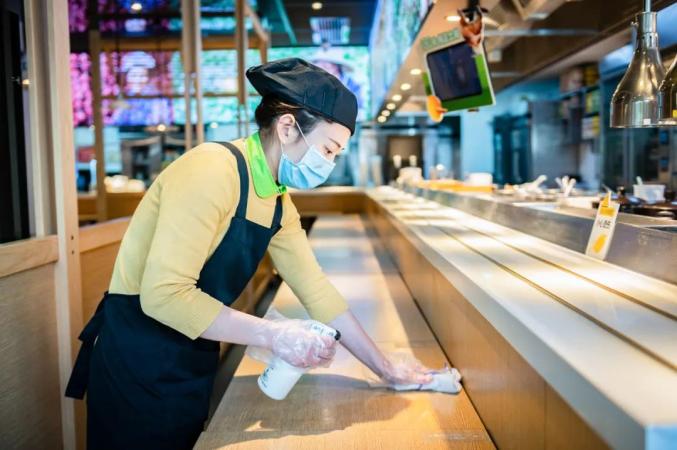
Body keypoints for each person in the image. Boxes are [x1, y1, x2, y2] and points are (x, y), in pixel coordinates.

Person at [65, 58, 434, 450]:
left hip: (193, 350)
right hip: (137, 354)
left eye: (335, 154)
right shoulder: (212, 170)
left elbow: (317, 291)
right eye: (328, 148)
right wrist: (272, 334)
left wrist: (386, 369)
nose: (328, 163)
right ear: (288, 127)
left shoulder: (277, 200)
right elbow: (164, 296)